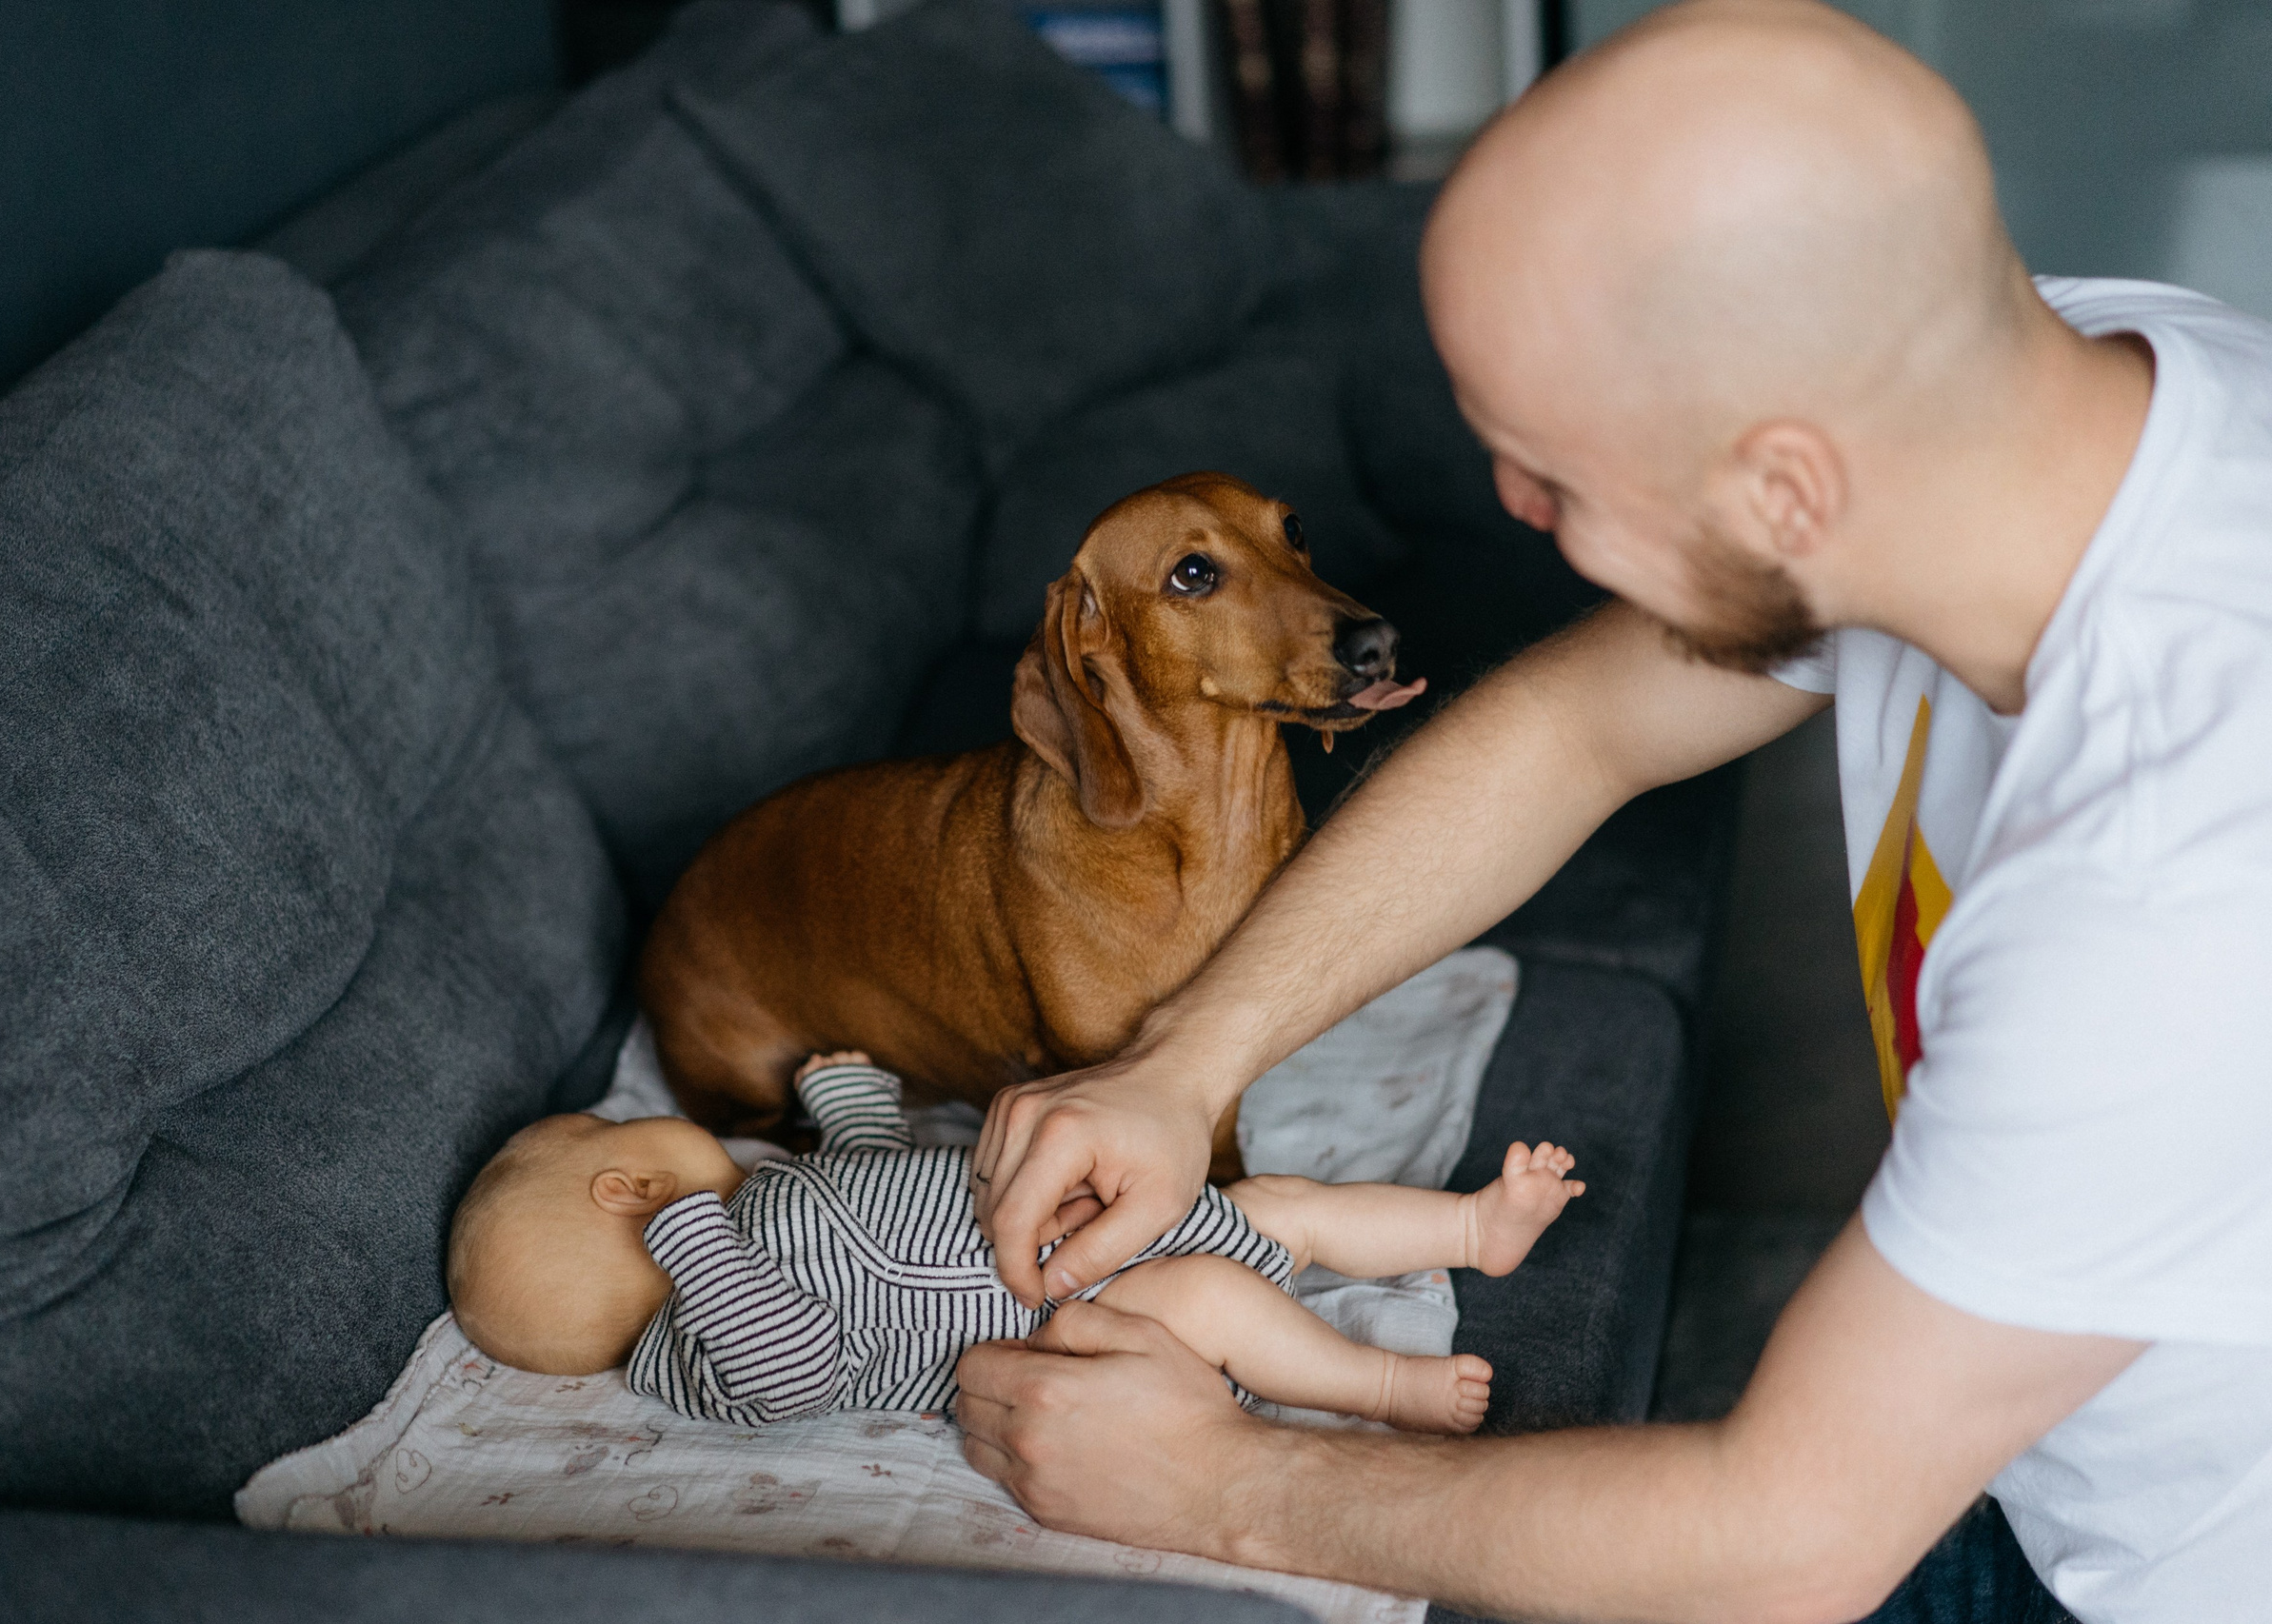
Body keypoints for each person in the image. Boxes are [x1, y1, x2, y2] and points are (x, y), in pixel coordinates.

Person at [948, 3, 2272, 1620]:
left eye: (1552, 478)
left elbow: (1787, 1539)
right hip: (2025, 1438)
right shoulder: (2075, 387)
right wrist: (1184, 1065)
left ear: (1786, 487)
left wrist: (1210, 1482)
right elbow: (1577, 727)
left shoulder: (2168, 884)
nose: (1515, 515)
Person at [447, 1052, 1584, 1433]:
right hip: (1071, 1317)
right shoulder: (706, 1343)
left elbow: (881, 1185)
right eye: (611, 1119)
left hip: (1084, 1226)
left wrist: (849, 1105)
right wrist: (691, 1241)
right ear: (629, 1184)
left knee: (1278, 1202)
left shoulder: (767, 1194)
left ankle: (1472, 1227)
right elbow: (795, 1371)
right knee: (1214, 1299)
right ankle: (1386, 1381)